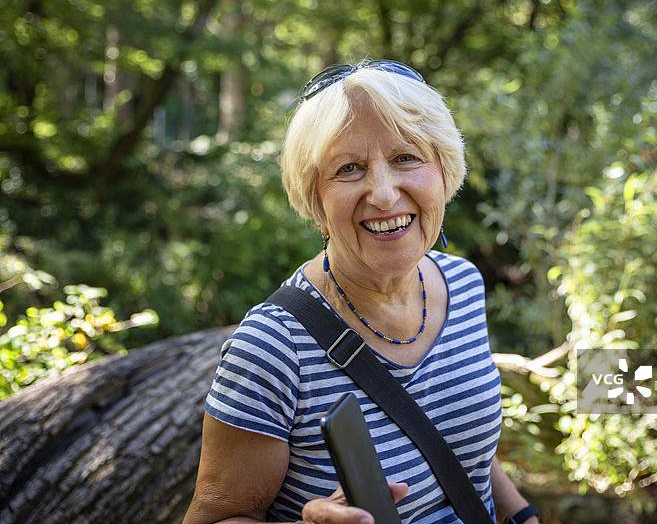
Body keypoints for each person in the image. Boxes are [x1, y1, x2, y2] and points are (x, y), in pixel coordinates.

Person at [183, 59, 540, 524]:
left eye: (406, 158)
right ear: (316, 199)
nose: (385, 194)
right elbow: (213, 517)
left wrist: (523, 514)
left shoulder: (463, 283)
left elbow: (460, 444)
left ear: (444, 171)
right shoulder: (273, 346)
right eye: (349, 168)